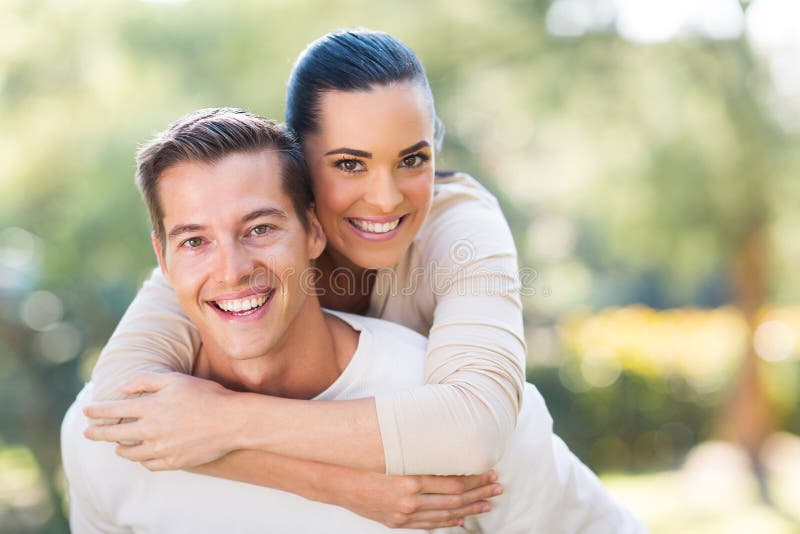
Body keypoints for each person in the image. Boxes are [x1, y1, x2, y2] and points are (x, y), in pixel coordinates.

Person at [63, 108, 643, 533]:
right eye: (195, 241)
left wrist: (225, 422)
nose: (233, 269)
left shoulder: (453, 410)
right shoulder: (110, 437)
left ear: (314, 231)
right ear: (162, 261)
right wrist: (344, 488)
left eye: (261, 228)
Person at [87, 28, 536, 527]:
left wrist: (221, 420)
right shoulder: (242, 247)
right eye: (349, 164)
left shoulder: (461, 225)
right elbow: (117, 404)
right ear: (299, 163)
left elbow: (474, 429)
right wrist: (340, 487)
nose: (386, 198)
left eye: (412, 159)